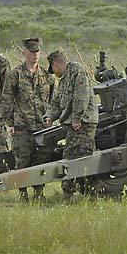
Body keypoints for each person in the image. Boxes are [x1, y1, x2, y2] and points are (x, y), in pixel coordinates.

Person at [3, 38, 56, 201]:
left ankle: (39, 192)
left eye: (37, 52)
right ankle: (23, 194)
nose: (35, 55)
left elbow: (54, 99)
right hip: (22, 126)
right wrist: (10, 123)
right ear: (24, 53)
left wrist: (51, 116)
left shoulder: (47, 76)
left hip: (42, 126)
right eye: (31, 52)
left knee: (41, 161)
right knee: (22, 160)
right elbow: (7, 98)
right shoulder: (15, 74)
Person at [43, 51, 98, 199]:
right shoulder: (63, 80)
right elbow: (56, 102)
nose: (53, 73)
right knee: (71, 156)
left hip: (83, 123)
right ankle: (74, 192)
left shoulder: (77, 71)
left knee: (82, 156)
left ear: (56, 65)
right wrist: (49, 116)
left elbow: (82, 96)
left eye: (53, 69)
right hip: (75, 124)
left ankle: (88, 193)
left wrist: (76, 118)